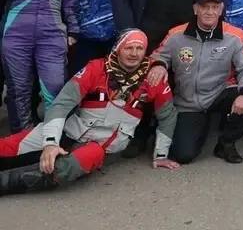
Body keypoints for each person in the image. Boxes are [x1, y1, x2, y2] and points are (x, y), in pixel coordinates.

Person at [0, 29, 179, 195]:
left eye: (139, 48)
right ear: (118, 48)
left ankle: (7, 183)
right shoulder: (96, 68)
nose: (134, 53)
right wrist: (50, 143)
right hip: (69, 131)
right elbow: (62, 104)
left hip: (98, 146)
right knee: (9, 146)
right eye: (128, 48)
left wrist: (161, 155)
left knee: (72, 163)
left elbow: (167, 116)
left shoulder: (154, 76)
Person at [150, 0, 243, 164]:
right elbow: (158, 55)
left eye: (214, 7)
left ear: (221, 9)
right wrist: (159, 66)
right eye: (204, 7)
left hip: (219, 94)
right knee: (183, 155)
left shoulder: (234, 35)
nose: (210, 12)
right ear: (195, 9)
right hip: (188, 103)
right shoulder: (176, 34)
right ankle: (199, 127)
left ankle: (226, 143)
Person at [0, 0, 80, 130]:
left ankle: (53, 135)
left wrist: (73, 31)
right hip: (15, 35)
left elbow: (71, 1)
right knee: (18, 89)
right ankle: (22, 135)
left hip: (52, 34)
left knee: (55, 86)